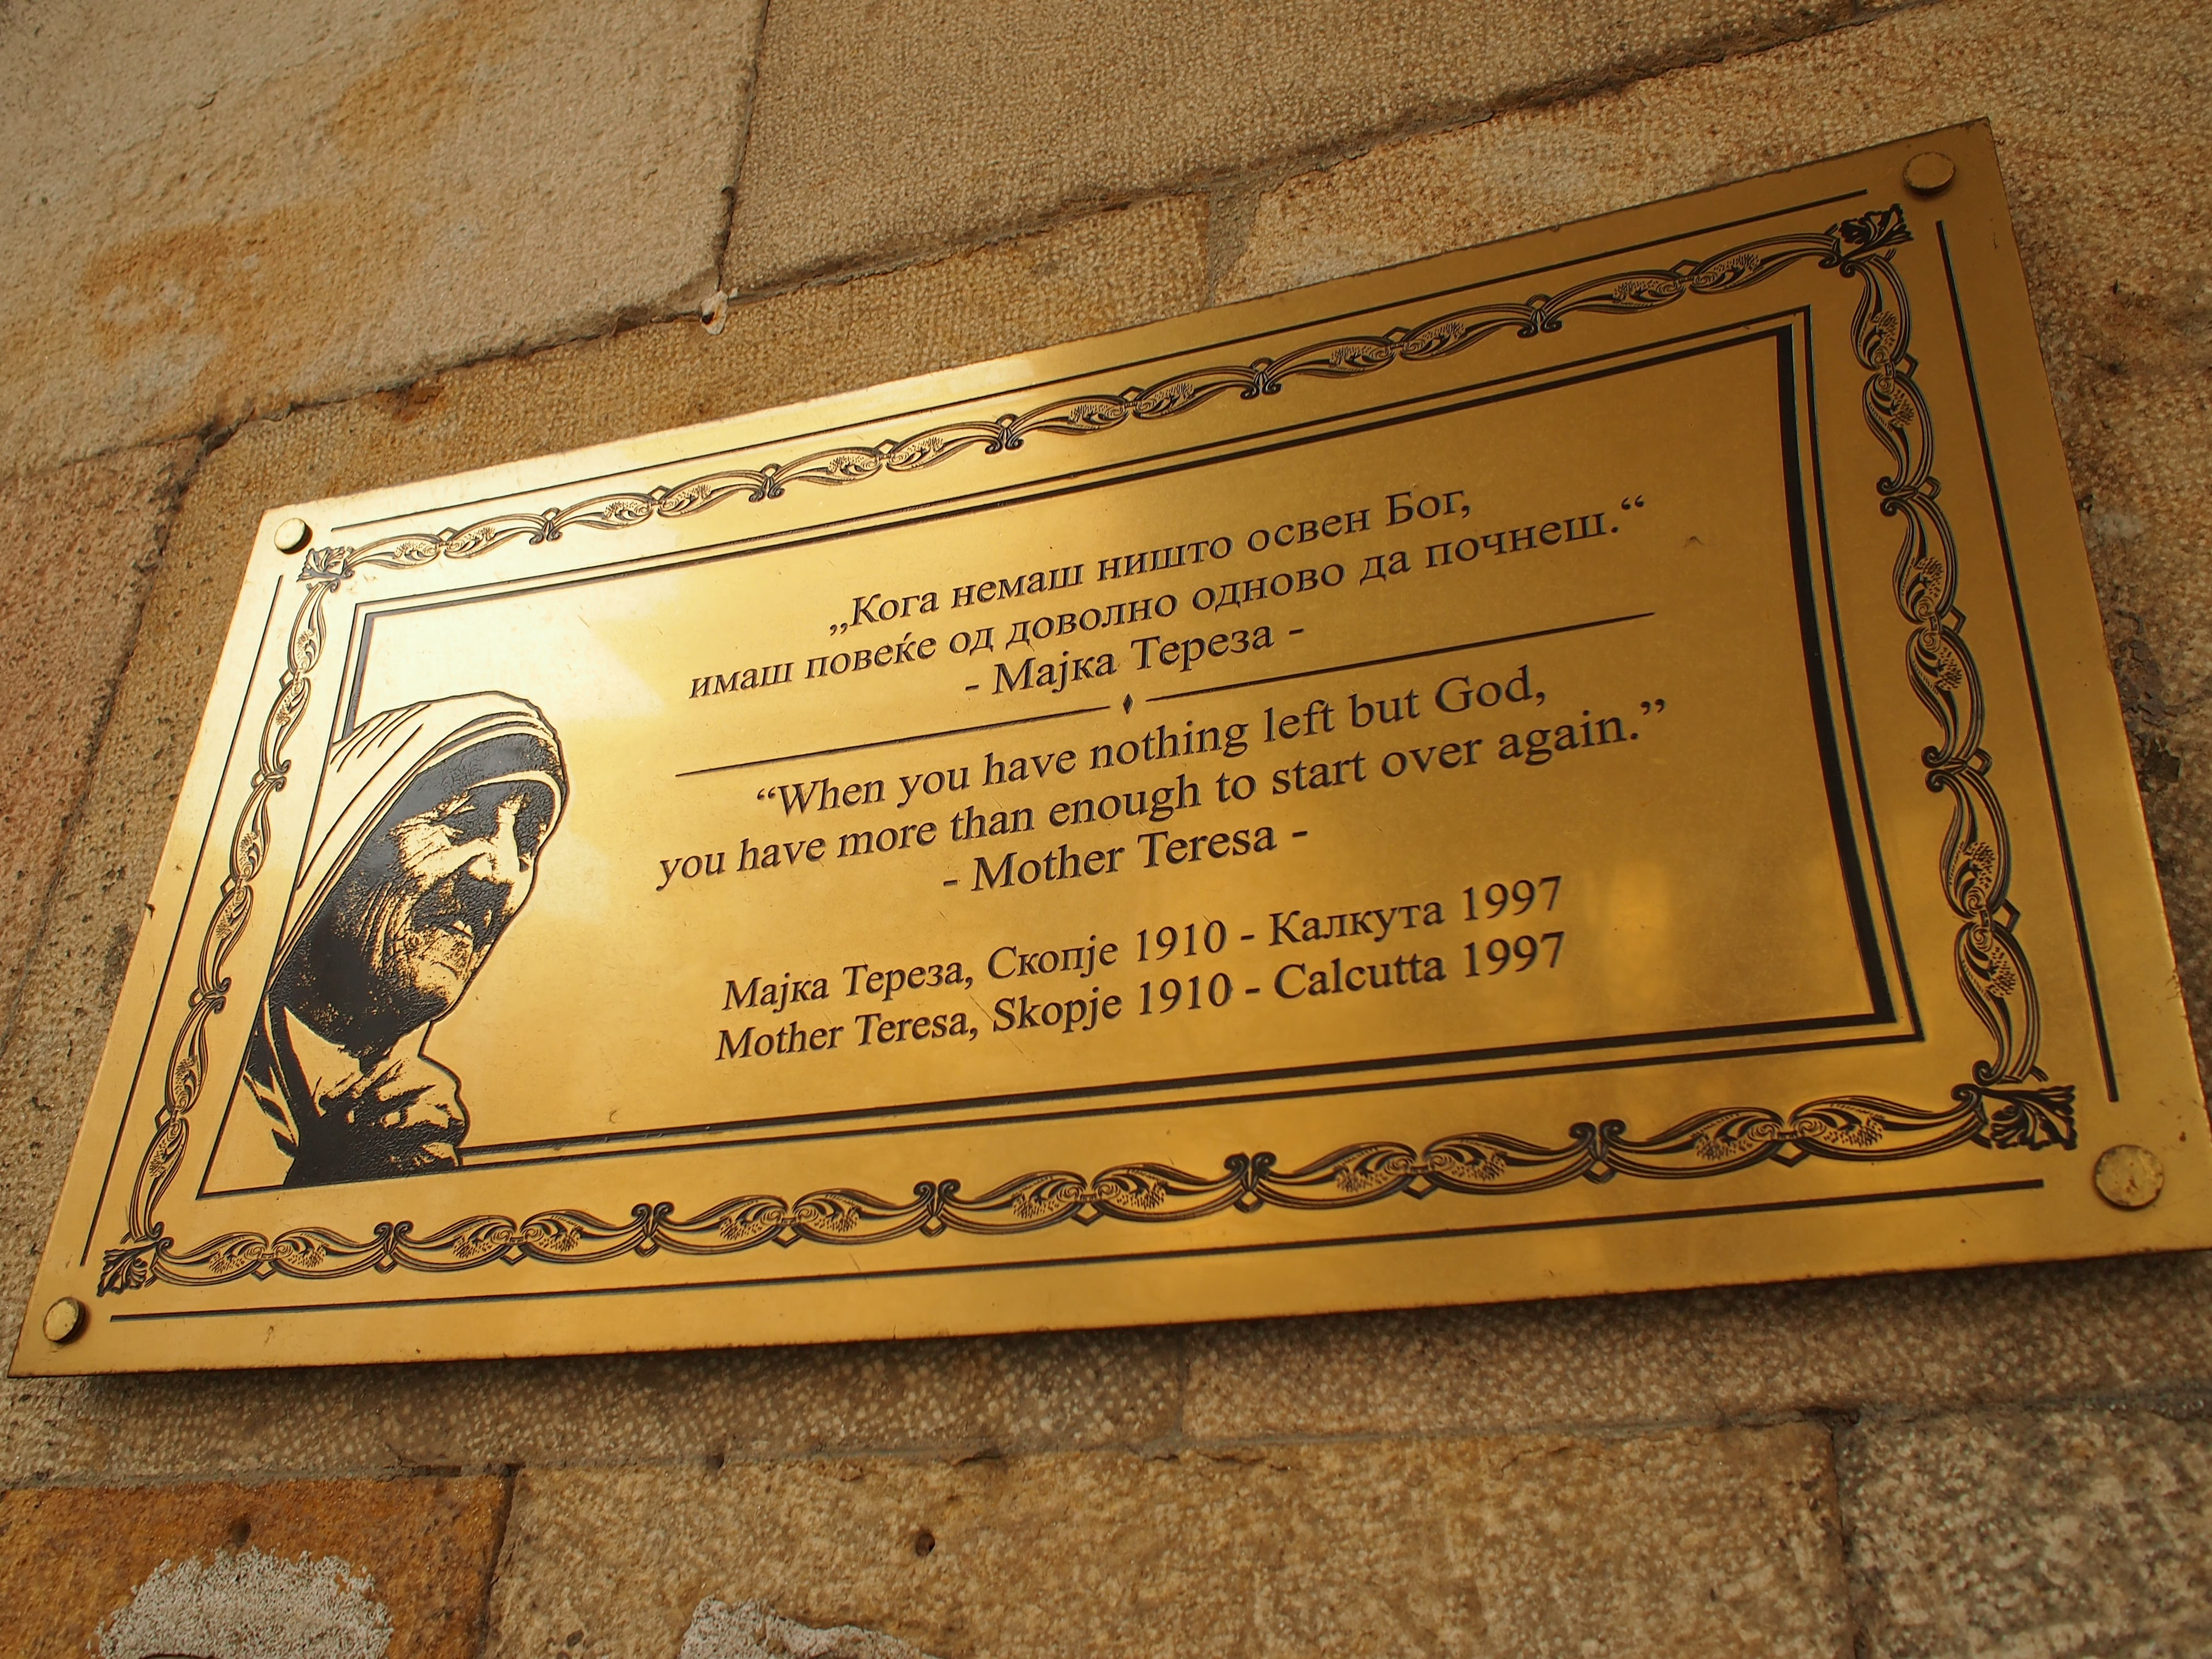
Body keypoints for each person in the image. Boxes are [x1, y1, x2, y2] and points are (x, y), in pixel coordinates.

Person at [240, 692, 567, 1186]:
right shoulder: (207, 1087)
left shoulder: (416, 1117)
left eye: (525, 847)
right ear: (343, 840)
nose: (500, 875)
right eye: (460, 822)